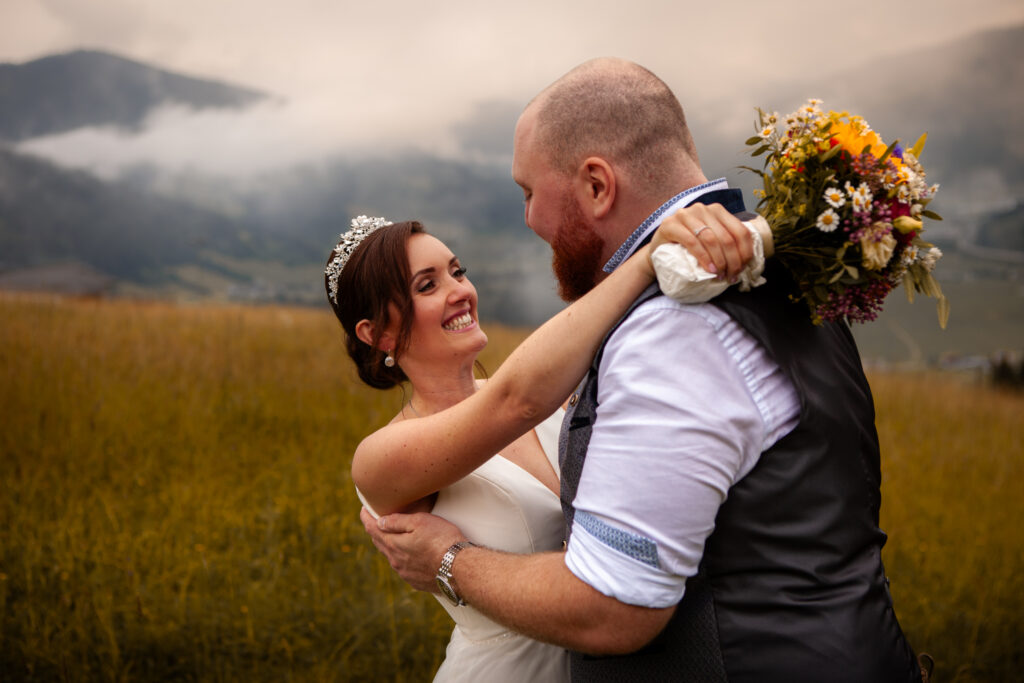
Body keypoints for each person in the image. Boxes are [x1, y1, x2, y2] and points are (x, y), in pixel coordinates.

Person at [361, 58, 924, 682]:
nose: (529, 219)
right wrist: (649, 262)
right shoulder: (786, 277)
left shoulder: (671, 328)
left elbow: (612, 610)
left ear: (597, 186)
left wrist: (447, 558)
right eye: (426, 283)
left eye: (529, 192)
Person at [326, 213, 753, 681]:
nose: (460, 291)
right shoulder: (381, 457)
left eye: (457, 271)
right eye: (426, 286)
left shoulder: (552, 400)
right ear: (377, 334)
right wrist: (646, 260)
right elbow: (516, 400)